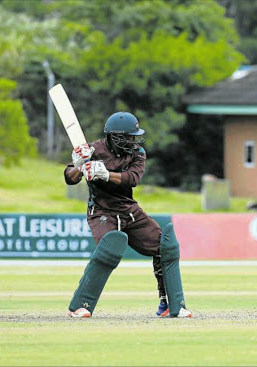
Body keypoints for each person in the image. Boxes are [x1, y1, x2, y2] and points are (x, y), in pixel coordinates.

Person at [64, 111, 192, 318]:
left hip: (129, 210)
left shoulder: (138, 152)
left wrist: (105, 174)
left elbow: (132, 178)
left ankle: (168, 304)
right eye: (129, 137)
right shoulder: (92, 149)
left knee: (164, 247)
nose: (134, 142)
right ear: (115, 136)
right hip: (102, 211)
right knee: (108, 249)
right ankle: (81, 306)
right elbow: (70, 178)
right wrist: (79, 166)